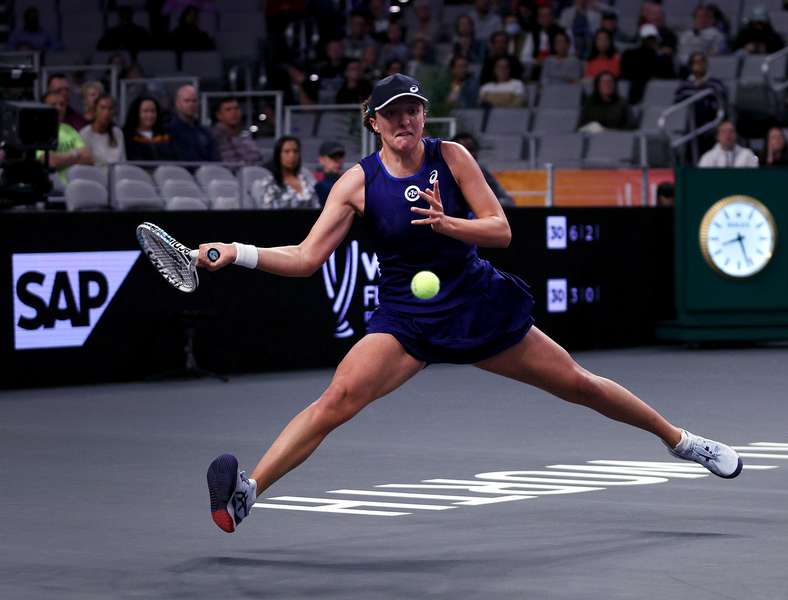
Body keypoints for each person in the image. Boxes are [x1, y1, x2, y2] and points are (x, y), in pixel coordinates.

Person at [197, 74, 744, 533]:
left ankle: (680, 441)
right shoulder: (356, 184)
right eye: (394, 113)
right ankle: (247, 492)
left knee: (578, 383)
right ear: (374, 123)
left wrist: (447, 223)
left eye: (414, 110)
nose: (406, 121)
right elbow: (305, 257)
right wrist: (238, 252)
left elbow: (501, 230)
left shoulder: (452, 157)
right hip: (405, 319)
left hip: (476, 303)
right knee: (335, 401)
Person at [674, 52, 728, 156]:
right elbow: (678, 104)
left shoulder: (715, 83)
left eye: (702, 61)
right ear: (690, 65)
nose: (699, 64)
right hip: (689, 125)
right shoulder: (684, 86)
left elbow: (721, 102)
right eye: (696, 62)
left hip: (710, 123)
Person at [40, 91, 93, 186]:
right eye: (53, 104)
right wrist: (76, 154)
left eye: (62, 105)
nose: (59, 108)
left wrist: (60, 159)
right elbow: (49, 161)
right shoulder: (38, 131)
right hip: (51, 188)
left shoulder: (69, 129)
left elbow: (88, 158)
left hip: (75, 187)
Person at [251, 135, 319, 209]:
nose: (292, 155)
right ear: (278, 155)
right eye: (287, 151)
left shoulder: (307, 179)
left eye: (295, 151)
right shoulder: (269, 183)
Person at [450, 132, 514, 207]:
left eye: (471, 149)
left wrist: (486, 206)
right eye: (463, 150)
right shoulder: (442, 173)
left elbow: (507, 201)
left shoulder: (483, 172)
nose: (467, 154)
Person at [621, 24, 677, 104]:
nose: (650, 42)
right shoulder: (630, 55)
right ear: (642, 40)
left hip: (660, 95)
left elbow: (670, 77)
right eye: (647, 39)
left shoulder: (665, 59)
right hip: (637, 95)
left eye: (652, 39)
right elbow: (626, 72)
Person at [168, 84, 220, 162]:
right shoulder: (169, 131)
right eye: (187, 101)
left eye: (194, 101)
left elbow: (215, 158)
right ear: (177, 104)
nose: (191, 104)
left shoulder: (205, 132)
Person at [211, 97, 263, 165]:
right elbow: (230, 162)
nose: (234, 112)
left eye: (236, 108)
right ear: (219, 115)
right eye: (228, 110)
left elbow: (257, 156)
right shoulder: (215, 136)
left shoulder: (244, 134)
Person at [123, 95, 176, 161]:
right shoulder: (126, 137)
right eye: (145, 111)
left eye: (153, 111)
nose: (150, 115)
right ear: (136, 113)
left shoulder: (166, 136)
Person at [79, 95, 126, 166]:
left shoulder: (117, 133)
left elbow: (123, 161)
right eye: (102, 108)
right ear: (95, 111)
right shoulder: (85, 133)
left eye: (110, 109)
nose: (107, 112)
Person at [314, 140, 345, 205]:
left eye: (340, 157)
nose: (338, 161)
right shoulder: (314, 184)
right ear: (321, 160)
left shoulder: (349, 181)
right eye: (333, 157)